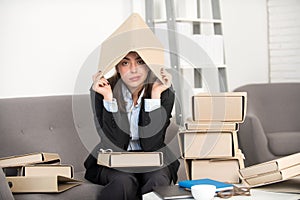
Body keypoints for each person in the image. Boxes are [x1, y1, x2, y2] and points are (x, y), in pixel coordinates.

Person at [84, 51, 179, 200]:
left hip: (151, 157)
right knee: (124, 181)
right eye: (125, 63)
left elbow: (151, 144)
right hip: (113, 158)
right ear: (117, 67)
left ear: (148, 65)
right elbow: (116, 144)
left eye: (140, 62)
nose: (134, 69)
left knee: (158, 179)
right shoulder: (101, 90)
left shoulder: (164, 91)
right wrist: (109, 99)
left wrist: (154, 98)